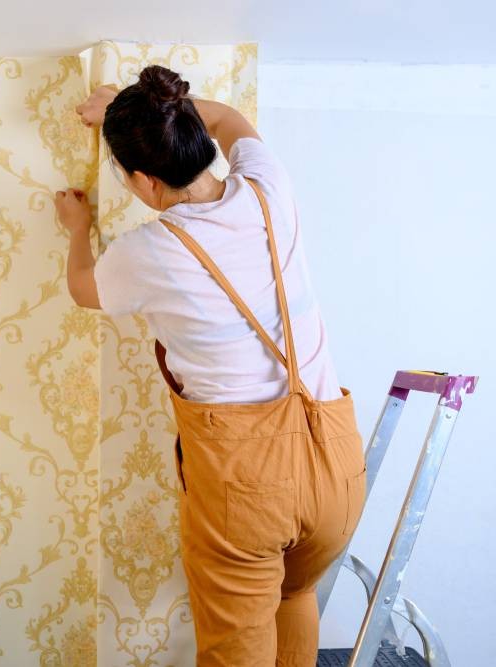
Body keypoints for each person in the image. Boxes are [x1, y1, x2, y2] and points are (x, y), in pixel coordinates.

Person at [54, 65, 368, 667]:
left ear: (146, 183)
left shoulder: (148, 251)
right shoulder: (267, 186)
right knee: (295, 592)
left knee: (235, 655)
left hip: (247, 486)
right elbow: (224, 119)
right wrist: (138, 106)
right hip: (336, 468)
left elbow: (84, 290)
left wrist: (76, 229)